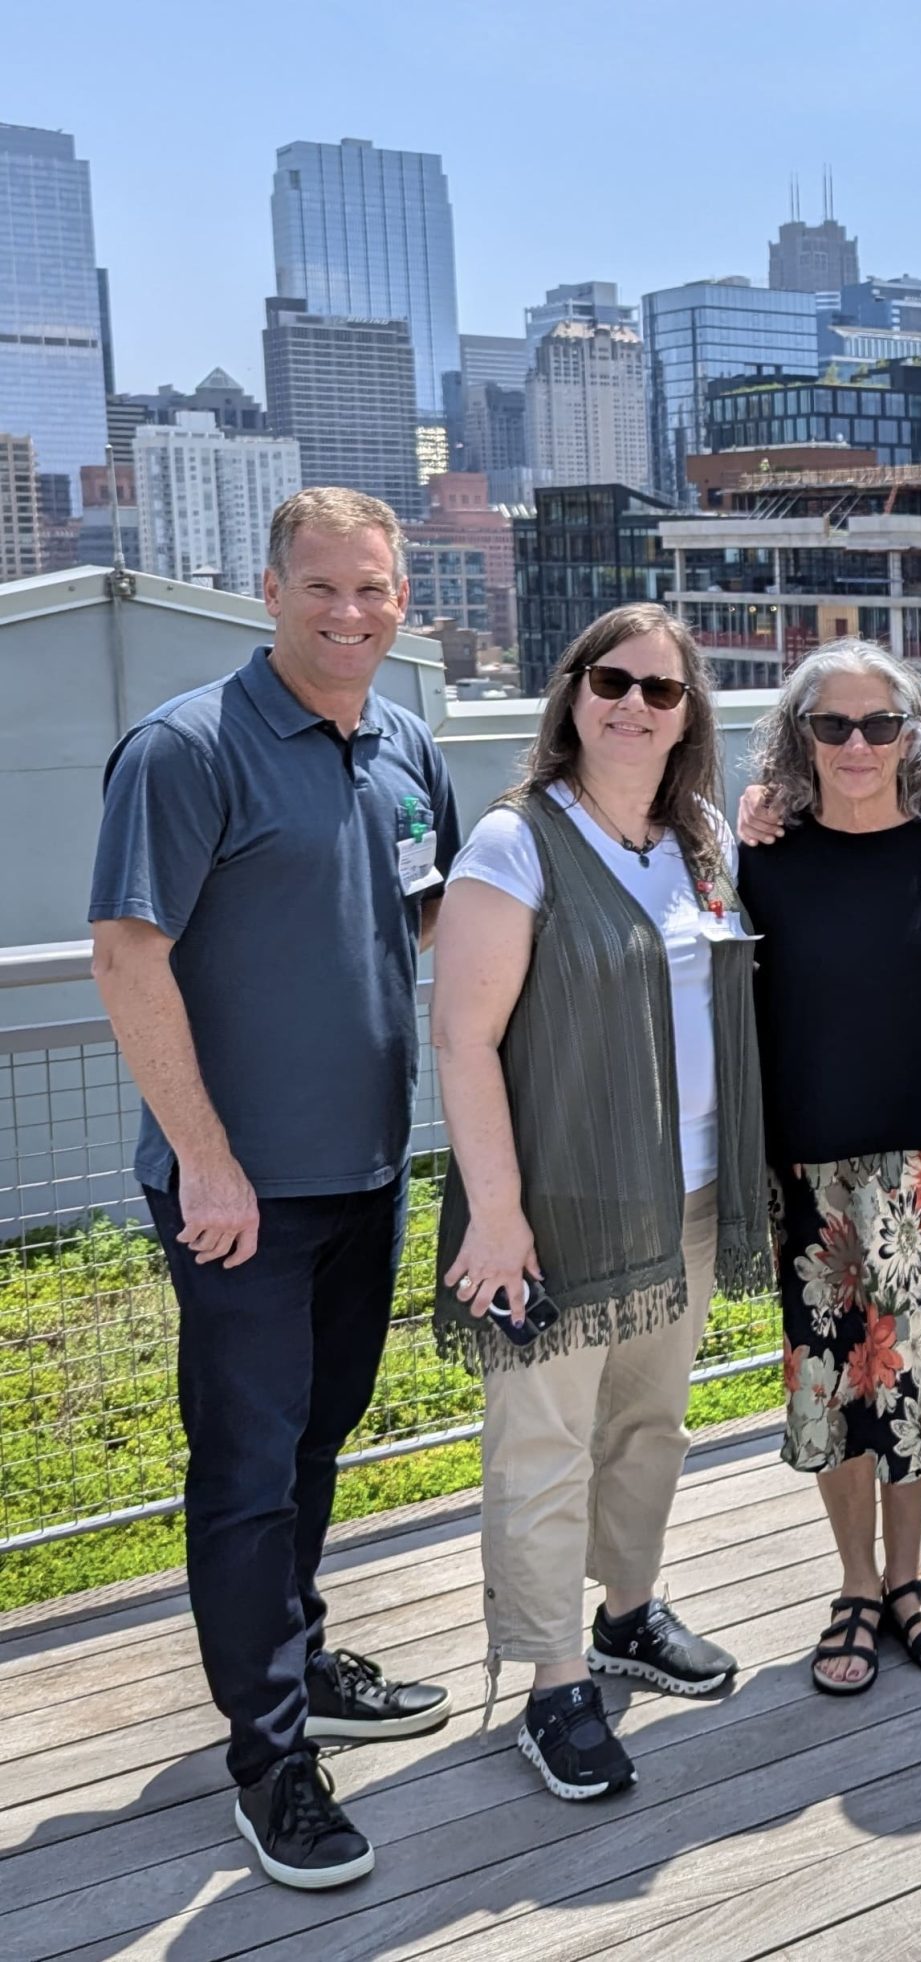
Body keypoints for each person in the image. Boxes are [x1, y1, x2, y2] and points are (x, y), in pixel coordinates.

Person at [89, 487, 454, 1890]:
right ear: (268, 587)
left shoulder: (407, 742)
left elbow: (441, 912)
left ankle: (291, 1653)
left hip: (367, 1166)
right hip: (240, 1192)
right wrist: (208, 1158)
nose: (350, 614)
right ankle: (270, 1755)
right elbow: (130, 957)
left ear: (402, 598)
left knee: (316, 1441)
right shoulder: (189, 748)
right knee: (245, 1467)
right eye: (323, 588)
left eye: (373, 590)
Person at [430, 603, 765, 1802]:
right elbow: (463, 1043)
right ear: (571, 695)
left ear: (688, 717)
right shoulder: (515, 844)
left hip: (679, 1195)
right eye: (610, 681)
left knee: (648, 1426)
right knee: (544, 1445)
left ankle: (628, 1614)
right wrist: (498, 1214)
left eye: (660, 691)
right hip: (558, 1204)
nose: (633, 705)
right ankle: (554, 1681)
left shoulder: (701, 839)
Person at [737, 641, 921, 1698]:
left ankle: (907, 1576)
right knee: (842, 1390)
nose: (857, 745)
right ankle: (853, 1585)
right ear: (798, 737)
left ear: (916, 732)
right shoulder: (762, 848)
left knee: (920, 1390)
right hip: (816, 1167)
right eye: (831, 725)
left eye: (880, 724)